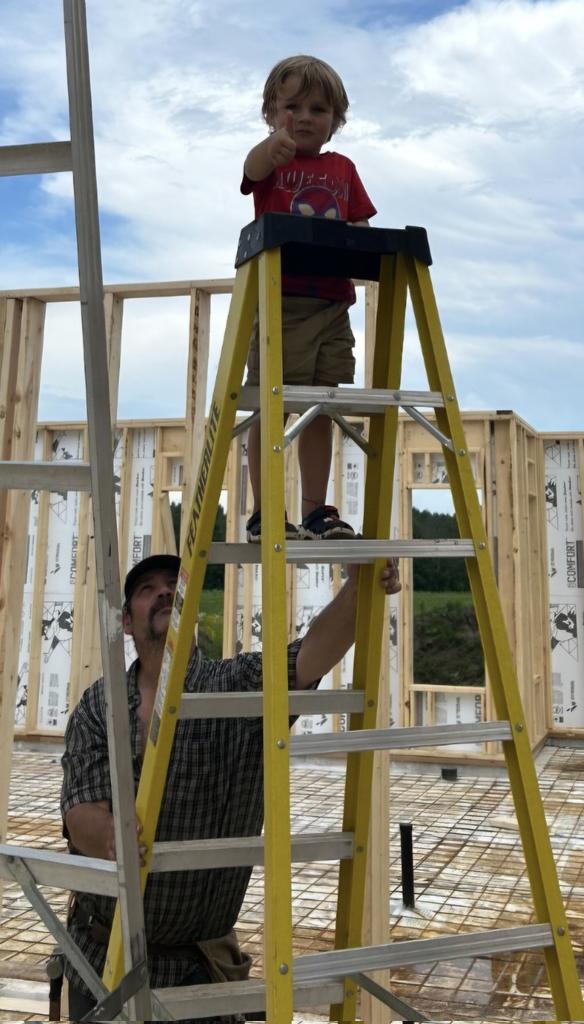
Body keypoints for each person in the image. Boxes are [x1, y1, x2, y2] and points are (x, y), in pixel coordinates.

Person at [61, 553, 400, 1022]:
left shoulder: (231, 689)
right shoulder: (100, 705)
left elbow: (304, 660)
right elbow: (81, 814)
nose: (163, 592)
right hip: (100, 962)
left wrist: (360, 591)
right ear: (125, 622)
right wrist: (115, 838)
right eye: (147, 589)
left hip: (196, 975)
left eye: (173, 588)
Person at [241, 55, 376, 543]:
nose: (303, 117)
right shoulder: (272, 163)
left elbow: (360, 225)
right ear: (271, 113)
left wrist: (363, 242)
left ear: (335, 122)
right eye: (291, 106)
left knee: (322, 408)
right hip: (284, 304)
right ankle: (265, 512)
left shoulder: (342, 168)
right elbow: (249, 171)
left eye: (318, 109)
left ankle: (316, 510)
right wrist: (268, 149)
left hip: (334, 305)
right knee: (272, 407)